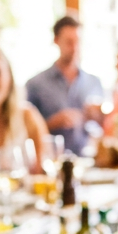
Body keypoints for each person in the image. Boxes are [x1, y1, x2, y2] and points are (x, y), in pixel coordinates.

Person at [25, 16, 103, 155]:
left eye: (78, 42)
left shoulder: (94, 83)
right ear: (56, 41)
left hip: (89, 163)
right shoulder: (35, 84)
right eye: (69, 42)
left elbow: (103, 128)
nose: (74, 48)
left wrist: (96, 117)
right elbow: (23, 131)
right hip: (50, 162)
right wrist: (52, 123)